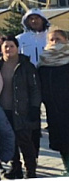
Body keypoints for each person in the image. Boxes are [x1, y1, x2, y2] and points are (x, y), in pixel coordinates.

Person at [0, 36, 40, 179]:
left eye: (11, 46)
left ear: (17, 48)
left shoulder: (26, 66)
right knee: (9, 141)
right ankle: (15, 167)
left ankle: (31, 170)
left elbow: (35, 89)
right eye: (6, 46)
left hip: (22, 110)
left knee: (25, 141)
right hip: (3, 109)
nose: (8, 49)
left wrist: (35, 107)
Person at [37, 27, 69, 175]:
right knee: (61, 142)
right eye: (52, 40)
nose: (55, 42)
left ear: (66, 41)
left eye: (58, 39)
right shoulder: (44, 61)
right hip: (53, 109)